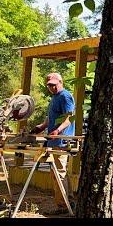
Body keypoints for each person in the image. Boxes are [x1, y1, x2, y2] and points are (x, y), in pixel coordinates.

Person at [30, 72, 76, 213]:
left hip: (62, 141)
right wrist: (40, 127)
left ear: (61, 82)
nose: (52, 87)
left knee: (59, 173)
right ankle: (67, 202)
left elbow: (69, 118)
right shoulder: (54, 98)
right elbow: (51, 118)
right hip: (53, 141)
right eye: (49, 85)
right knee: (58, 173)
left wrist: (58, 131)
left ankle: (63, 206)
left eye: (54, 85)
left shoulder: (65, 96)